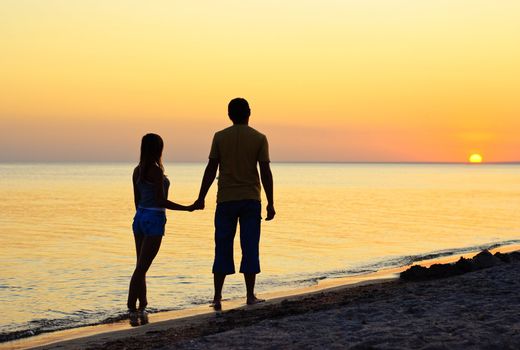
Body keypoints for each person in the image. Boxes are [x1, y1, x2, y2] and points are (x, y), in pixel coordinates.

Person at [196, 97, 275, 310]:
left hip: (225, 200)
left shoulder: (220, 137)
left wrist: (201, 196)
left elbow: (211, 169)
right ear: (249, 112)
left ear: (229, 115)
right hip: (251, 199)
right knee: (250, 246)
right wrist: (271, 202)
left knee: (222, 246)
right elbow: (265, 171)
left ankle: (217, 297)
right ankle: (250, 295)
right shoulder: (259, 138)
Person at [128, 133, 199, 315]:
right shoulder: (156, 171)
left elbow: (137, 200)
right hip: (154, 219)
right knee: (141, 267)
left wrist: (143, 216)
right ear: (159, 149)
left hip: (140, 217)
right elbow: (160, 200)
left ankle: (142, 304)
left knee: (140, 265)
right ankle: (130, 307)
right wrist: (188, 208)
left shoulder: (137, 170)